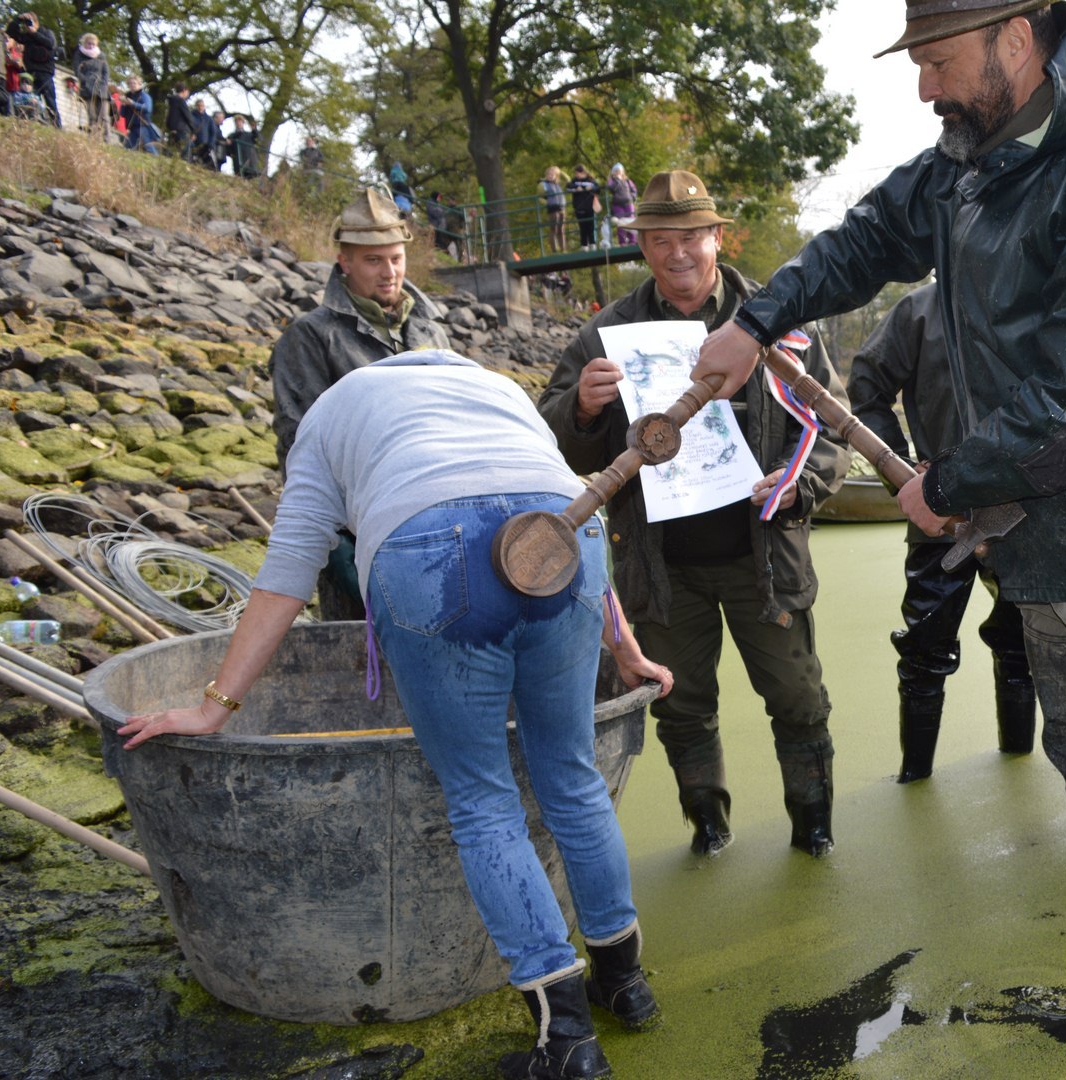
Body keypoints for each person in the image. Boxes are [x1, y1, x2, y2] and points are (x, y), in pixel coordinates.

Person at [691, 4, 1066, 1076]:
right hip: (1035, 550)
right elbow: (864, 241)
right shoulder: (967, 161)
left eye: (935, 60)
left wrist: (946, 482)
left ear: (1015, 41)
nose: (922, 86)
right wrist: (755, 319)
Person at [116, 349, 672, 1080]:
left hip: (433, 553)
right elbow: (555, 525)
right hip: (570, 536)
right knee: (571, 777)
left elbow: (286, 575)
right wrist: (624, 648)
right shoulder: (493, 388)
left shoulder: (325, 421)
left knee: (482, 803)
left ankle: (565, 1040)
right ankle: (625, 987)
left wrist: (214, 707)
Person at [538, 168, 850, 859]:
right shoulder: (605, 333)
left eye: (690, 237)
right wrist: (582, 407)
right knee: (680, 702)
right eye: (658, 240)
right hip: (660, 565)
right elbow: (553, 437)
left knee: (798, 694)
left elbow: (831, 430)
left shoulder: (778, 318)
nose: (676, 253)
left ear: (717, 236)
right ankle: (706, 824)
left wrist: (802, 484)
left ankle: (812, 820)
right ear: (641, 247)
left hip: (764, 554)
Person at [846, 282, 1036, 783]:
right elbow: (865, 385)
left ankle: (1019, 754)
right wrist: (903, 471)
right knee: (925, 644)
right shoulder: (919, 310)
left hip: (1022, 510)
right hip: (938, 511)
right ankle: (915, 772)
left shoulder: (1032, 295)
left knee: (1022, 640)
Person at [269, 188, 451, 621]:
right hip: (358, 544)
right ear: (344, 262)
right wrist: (348, 557)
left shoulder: (434, 332)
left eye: (396, 258)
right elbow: (302, 454)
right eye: (373, 261)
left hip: (445, 535)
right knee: (368, 675)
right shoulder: (309, 339)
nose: (389, 272)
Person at [5, 13, 58, 127]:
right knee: (31, 99)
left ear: (36, 22)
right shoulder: (27, 36)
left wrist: (34, 32)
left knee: (50, 101)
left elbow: (51, 44)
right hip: (31, 73)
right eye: (26, 23)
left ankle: (56, 126)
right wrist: (17, 20)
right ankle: (32, 124)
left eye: (29, 22)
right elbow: (12, 33)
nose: (27, 25)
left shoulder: (46, 32)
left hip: (45, 72)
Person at [72, 33, 110, 143]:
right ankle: (94, 138)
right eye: (89, 43)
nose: (91, 46)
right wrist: (85, 80)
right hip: (87, 88)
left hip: (101, 89)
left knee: (104, 116)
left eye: (93, 44)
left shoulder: (101, 56)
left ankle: (106, 139)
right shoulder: (79, 55)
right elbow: (77, 70)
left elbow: (106, 72)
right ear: (85, 43)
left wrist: (103, 83)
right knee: (92, 115)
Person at [121, 77, 159, 154]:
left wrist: (133, 104)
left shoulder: (144, 96)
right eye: (130, 83)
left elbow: (148, 108)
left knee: (148, 146)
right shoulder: (128, 96)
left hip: (142, 125)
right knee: (127, 148)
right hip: (132, 127)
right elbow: (123, 114)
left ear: (139, 84)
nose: (132, 85)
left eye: (134, 83)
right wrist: (123, 105)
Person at [566, 165, 600, 250]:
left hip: (589, 207)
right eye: (576, 173)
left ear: (584, 173)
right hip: (579, 207)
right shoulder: (574, 181)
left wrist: (591, 188)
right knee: (582, 227)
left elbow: (598, 188)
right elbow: (568, 187)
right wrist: (576, 188)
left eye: (579, 173)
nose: (577, 175)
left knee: (591, 226)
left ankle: (592, 243)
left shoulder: (591, 180)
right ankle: (584, 245)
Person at [606, 164, 638, 246]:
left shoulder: (627, 181)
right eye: (616, 171)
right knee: (620, 223)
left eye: (619, 171)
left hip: (628, 203)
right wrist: (616, 180)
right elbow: (610, 187)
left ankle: (632, 241)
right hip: (617, 204)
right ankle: (622, 242)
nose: (618, 172)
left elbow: (634, 190)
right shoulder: (612, 181)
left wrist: (632, 197)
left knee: (631, 221)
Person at [164, 84, 194, 161]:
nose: (187, 95)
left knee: (170, 150)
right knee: (185, 152)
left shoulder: (171, 101)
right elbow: (188, 116)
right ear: (184, 91)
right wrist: (193, 130)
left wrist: (171, 127)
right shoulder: (180, 101)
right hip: (182, 129)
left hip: (172, 128)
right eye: (187, 92)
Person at [541, 166, 567, 253]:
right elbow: (540, 196)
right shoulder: (544, 184)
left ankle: (563, 249)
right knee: (554, 228)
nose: (551, 176)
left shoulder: (558, 184)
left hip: (561, 207)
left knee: (561, 229)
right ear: (546, 175)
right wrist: (546, 203)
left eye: (553, 174)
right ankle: (554, 250)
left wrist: (559, 171)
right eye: (549, 174)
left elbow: (568, 180)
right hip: (552, 208)